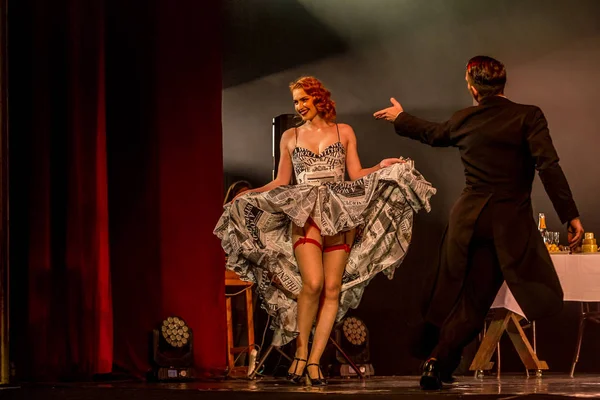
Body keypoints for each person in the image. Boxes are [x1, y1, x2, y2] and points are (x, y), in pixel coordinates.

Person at [374, 55, 584, 390]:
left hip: (466, 220)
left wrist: (401, 117)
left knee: (450, 292)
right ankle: (437, 360)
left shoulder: (464, 119)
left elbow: (433, 133)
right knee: (474, 300)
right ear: (502, 84)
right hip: (504, 223)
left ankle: (441, 361)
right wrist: (569, 214)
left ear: (473, 88)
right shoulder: (527, 116)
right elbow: (548, 166)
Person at [215, 76, 436, 385]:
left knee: (332, 289)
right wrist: (249, 195)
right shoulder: (290, 136)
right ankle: (301, 352)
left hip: (340, 213)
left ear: (318, 98)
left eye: (304, 99)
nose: (299, 106)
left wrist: (382, 166)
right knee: (313, 284)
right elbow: (281, 181)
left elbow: (355, 174)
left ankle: (314, 360)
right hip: (306, 213)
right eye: (296, 101)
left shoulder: (343, 131)